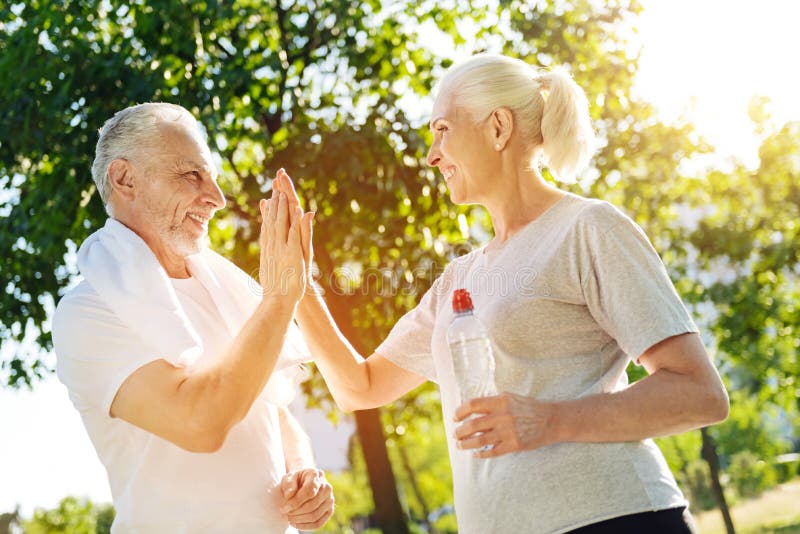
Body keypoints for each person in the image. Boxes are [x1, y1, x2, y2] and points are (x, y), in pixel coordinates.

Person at [267, 54, 729, 533]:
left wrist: (549, 420)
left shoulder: (588, 228)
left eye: (442, 129)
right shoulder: (459, 279)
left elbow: (699, 393)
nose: (431, 155)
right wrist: (297, 287)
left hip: (616, 517)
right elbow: (359, 387)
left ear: (498, 129)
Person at [52, 103, 333, 533]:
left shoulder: (228, 289)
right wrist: (279, 299)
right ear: (124, 179)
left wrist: (304, 472)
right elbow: (199, 423)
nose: (217, 199)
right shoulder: (87, 313)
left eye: (214, 177)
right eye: (191, 175)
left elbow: (271, 412)